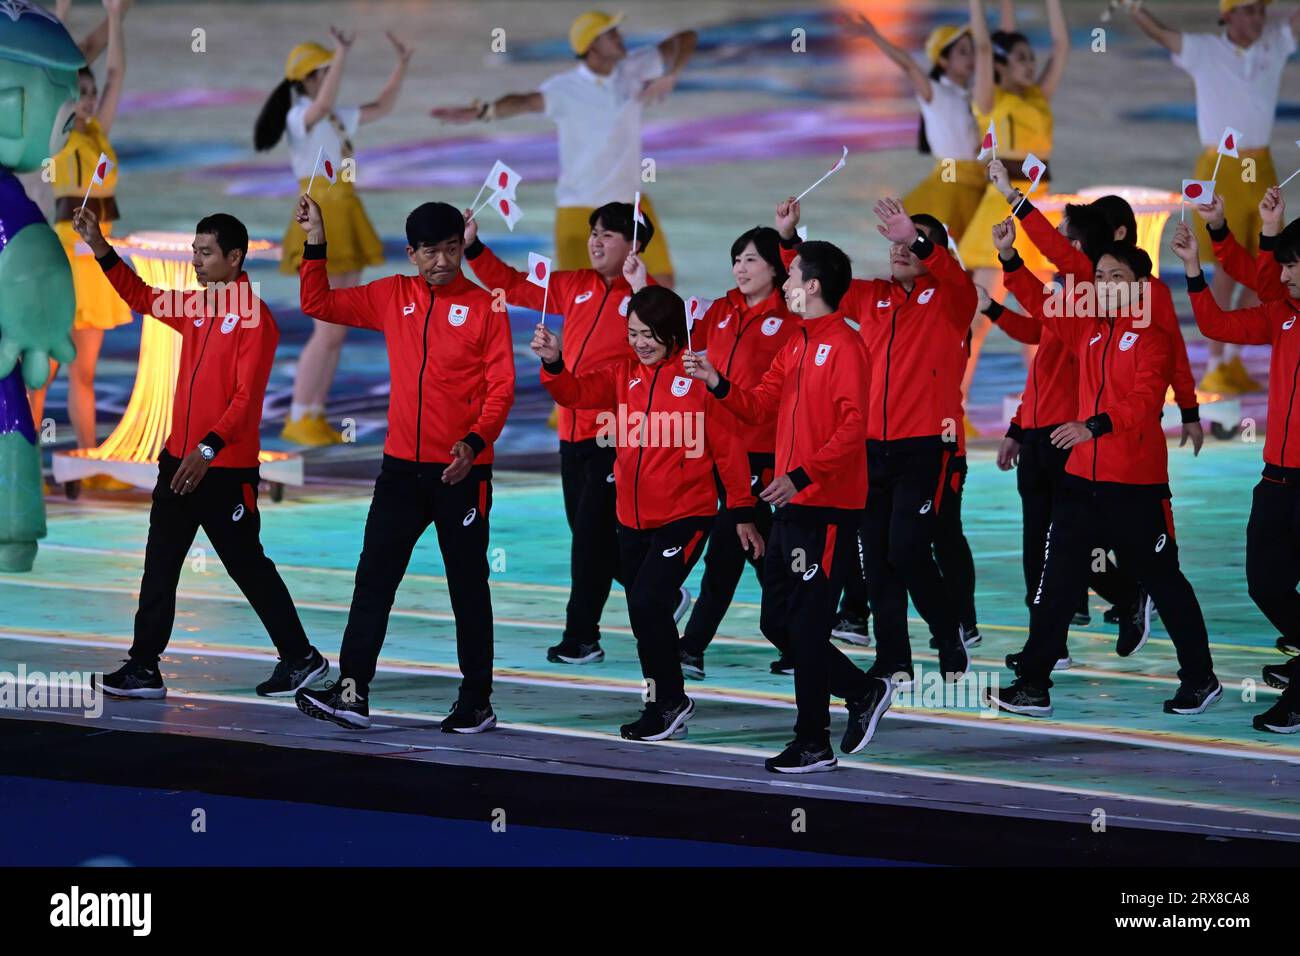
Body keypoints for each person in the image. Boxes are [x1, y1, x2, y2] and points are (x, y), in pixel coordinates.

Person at [69, 206, 326, 700]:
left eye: (205, 252)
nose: (195, 260)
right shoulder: (195, 307)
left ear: (235, 257)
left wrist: (207, 448)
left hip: (223, 469)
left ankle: (301, 657)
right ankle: (143, 665)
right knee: (159, 563)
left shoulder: (257, 320)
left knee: (247, 565)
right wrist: (100, 245)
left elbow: (246, 400)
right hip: (177, 461)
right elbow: (141, 297)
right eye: (194, 250)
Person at [292, 195, 515, 733]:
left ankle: (476, 701)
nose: (442, 260)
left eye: (451, 249)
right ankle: (352, 692)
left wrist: (473, 442)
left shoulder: (487, 308)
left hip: (460, 473)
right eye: (429, 251)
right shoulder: (391, 295)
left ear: (462, 247)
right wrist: (317, 237)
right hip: (399, 471)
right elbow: (317, 302)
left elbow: (502, 388)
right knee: (374, 580)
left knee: (467, 587)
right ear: (411, 254)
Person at [988, 225, 1220, 718]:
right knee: (1056, 582)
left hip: (1135, 487)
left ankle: (1200, 678)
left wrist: (1094, 425)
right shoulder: (1087, 327)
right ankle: (1033, 683)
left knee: (1164, 582)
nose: (1105, 283)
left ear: (1140, 286)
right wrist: (1008, 257)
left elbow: (1140, 404)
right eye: (1099, 276)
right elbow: (1039, 301)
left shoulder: (1152, 340)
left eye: (1117, 276)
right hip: (1080, 484)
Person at [684, 240, 887, 773]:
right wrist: (717, 382)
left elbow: (852, 427)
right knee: (777, 621)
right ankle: (862, 691)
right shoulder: (796, 343)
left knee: (805, 623)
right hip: (792, 503)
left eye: (792, 272)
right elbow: (757, 405)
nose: (787, 280)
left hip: (827, 506)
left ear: (812, 285)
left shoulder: (844, 344)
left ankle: (813, 740)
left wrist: (802, 475)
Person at [534, 277, 760, 740]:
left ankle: (670, 701)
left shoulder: (696, 379)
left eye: (650, 335)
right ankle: (662, 701)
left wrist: (740, 509)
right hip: (632, 520)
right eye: (634, 334)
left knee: (646, 601)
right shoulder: (623, 375)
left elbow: (729, 449)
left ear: (673, 333)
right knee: (644, 614)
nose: (641, 344)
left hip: (687, 516)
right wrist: (554, 361)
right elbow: (572, 394)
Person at [465, 202, 683, 666]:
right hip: (572, 428)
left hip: (616, 432)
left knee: (588, 539)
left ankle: (582, 636)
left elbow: (673, 343)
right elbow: (512, 285)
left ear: (634, 245)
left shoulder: (648, 297)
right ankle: (660, 592)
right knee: (591, 535)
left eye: (608, 234)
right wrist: (472, 247)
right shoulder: (574, 285)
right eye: (594, 233)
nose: (596, 241)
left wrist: (642, 284)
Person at [776, 197, 978, 688]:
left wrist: (917, 237)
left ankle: (947, 629)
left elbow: (953, 276)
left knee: (907, 549)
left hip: (926, 447)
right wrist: (788, 239)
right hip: (868, 451)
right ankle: (893, 660)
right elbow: (815, 285)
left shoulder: (951, 300)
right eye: (895, 240)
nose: (900, 248)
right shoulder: (872, 297)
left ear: (931, 250)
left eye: (911, 241)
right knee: (876, 559)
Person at [432, 10, 696, 287]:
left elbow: (687, 38)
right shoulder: (564, 89)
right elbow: (523, 102)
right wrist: (483, 111)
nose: (620, 37)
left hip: (629, 204)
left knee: (662, 285)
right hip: (578, 207)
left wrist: (672, 75)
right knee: (578, 295)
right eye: (611, 33)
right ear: (591, 45)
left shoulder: (634, 68)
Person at [1121, 0, 1300, 394]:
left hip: (1262, 165)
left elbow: (1294, 21)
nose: (1259, 18)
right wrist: (1136, 10)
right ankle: (1215, 363)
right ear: (1229, 15)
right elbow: (1163, 33)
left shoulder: (1274, 45)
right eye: (1250, 11)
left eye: (1261, 12)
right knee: (1224, 265)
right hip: (1221, 169)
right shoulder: (1204, 50)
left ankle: (1234, 360)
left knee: (1265, 266)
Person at [255, 29, 411, 446]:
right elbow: (322, 102)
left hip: (344, 211)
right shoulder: (300, 116)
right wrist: (343, 52)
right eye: (324, 72)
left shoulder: (335, 115)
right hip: (322, 213)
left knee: (337, 329)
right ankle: (300, 415)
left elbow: (382, 106)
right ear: (307, 79)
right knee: (324, 330)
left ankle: (314, 413)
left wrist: (403, 64)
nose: (330, 79)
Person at [1174, 214, 1300, 733]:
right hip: (1277, 478)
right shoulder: (1282, 316)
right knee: (1264, 584)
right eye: (1285, 266)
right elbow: (1216, 325)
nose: (1285, 276)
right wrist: (1193, 270)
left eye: (1293, 266)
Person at [677, 226, 797, 680]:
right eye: (737, 259)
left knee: (732, 549)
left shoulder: (789, 317)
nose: (741, 268)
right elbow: (680, 337)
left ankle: (691, 648)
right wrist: (639, 284)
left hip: (763, 452)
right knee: (758, 553)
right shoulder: (722, 310)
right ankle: (797, 640)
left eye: (751, 260)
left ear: (775, 267)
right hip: (718, 448)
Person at [29, 0, 129, 487]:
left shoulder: (98, 132)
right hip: (66, 252)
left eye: (92, 92)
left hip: (97, 256)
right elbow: (47, 70)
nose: (90, 98)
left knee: (84, 372)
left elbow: (116, 74)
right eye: (82, 92)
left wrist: (115, 17)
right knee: (44, 370)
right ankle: (25, 460)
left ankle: (87, 460)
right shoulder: (58, 134)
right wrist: (59, 20)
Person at [958, 0, 1070, 406]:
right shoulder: (991, 100)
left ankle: (1044, 404)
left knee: (1042, 319)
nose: (1030, 63)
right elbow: (985, 48)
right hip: (1000, 210)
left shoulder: (1038, 98)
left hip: (1038, 210)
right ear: (1002, 65)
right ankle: (955, 406)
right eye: (1021, 57)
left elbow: (1061, 45)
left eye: (1030, 57)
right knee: (978, 318)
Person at [847, 16, 985, 242]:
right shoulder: (935, 92)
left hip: (977, 180)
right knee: (948, 249)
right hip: (951, 182)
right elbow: (908, 64)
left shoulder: (974, 98)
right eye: (962, 52)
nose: (970, 57)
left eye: (972, 51)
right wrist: (874, 36)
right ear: (942, 60)